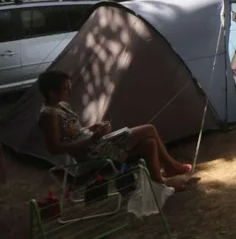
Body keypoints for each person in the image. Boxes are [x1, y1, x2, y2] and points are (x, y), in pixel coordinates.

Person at [37, 70, 192, 186]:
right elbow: (54, 148)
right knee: (149, 129)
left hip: (97, 144)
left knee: (150, 143)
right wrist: (91, 138)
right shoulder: (49, 115)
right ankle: (171, 166)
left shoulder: (62, 105)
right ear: (51, 92)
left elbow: (73, 132)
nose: (70, 92)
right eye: (66, 89)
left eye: (69, 87)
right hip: (91, 153)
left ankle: (159, 181)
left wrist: (92, 128)